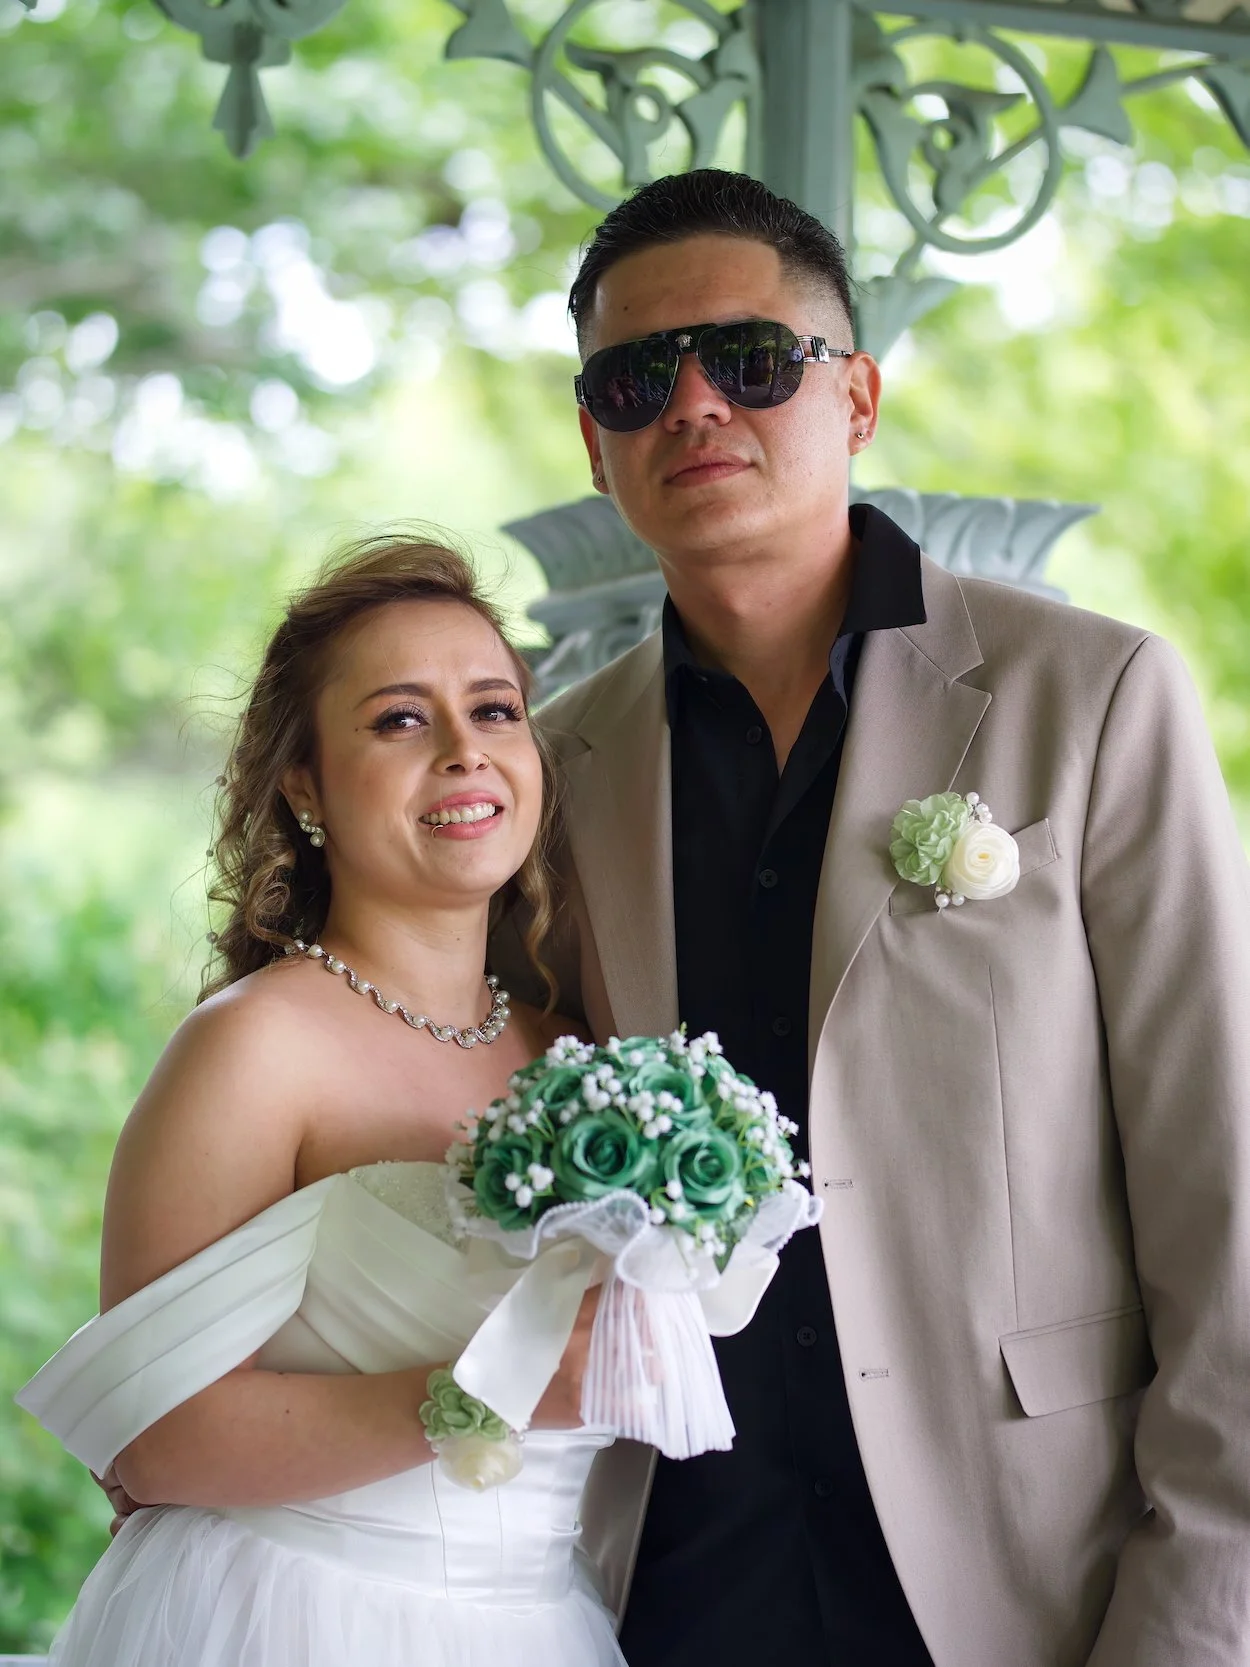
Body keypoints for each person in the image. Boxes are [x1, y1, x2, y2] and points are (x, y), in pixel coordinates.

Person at [491, 169, 1250, 1666]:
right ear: (595, 442)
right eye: (638, 379)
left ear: (857, 399)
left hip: (1032, 1567)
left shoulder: (1087, 696)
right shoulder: (550, 765)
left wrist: (1195, 1615)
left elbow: (1221, 1192)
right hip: (671, 1572)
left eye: (752, 359)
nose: (694, 404)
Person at [17, 536, 623, 1667]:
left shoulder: (577, 1051)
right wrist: (485, 1392)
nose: (462, 752)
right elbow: (149, 1438)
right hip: (291, 1615)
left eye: (493, 709)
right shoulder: (254, 1047)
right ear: (303, 782)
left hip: (541, 1620)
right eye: (399, 719)